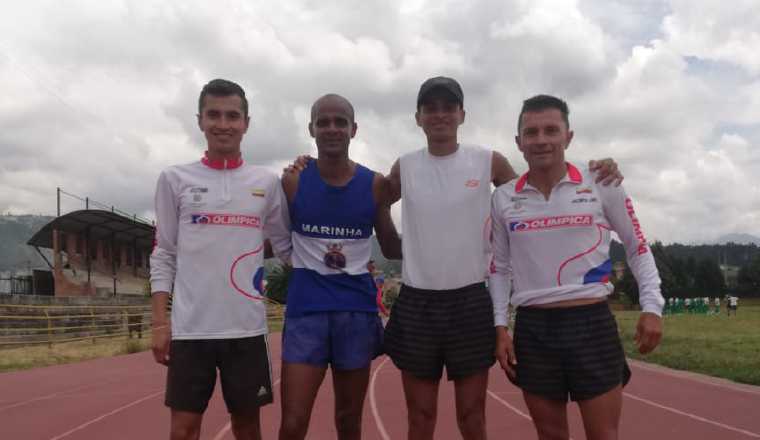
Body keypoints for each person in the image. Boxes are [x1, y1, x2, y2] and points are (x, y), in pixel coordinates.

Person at [381, 78, 624, 440]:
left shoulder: (488, 161)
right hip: (418, 302)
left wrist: (595, 170)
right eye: (430, 107)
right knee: (420, 416)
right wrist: (395, 246)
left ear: (462, 114)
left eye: (449, 106)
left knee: (472, 417)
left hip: (469, 300)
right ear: (418, 117)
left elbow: (531, 196)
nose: (440, 114)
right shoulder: (405, 166)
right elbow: (377, 200)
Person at [489, 94, 664, 440]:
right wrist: (499, 326)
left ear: (568, 136)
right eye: (532, 132)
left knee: (603, 435)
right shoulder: (504, 197)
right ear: (519, 142)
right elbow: (499, 267)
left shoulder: (601, 182)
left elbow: (636, 246)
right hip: (534, 328)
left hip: (591, 324)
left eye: (551, 130)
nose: (541, 140)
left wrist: (653, 306)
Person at [150, 79, 292, 440]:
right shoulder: (174, 179)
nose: (223, 124)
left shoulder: (267, 182)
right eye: (214, 115)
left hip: (246, 330)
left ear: (246, 122)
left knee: (248, 428)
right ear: (200, 120)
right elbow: (164, 253)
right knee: (184, 430)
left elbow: (287, 248)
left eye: (232, 115)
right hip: (191, 330)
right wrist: (159, 323)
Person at [278, 94, 401, 440]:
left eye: (340, 122)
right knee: (292, 422)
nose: (332, 129)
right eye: (324, 122)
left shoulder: (374, 184)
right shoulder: (293, 181)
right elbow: (271, 239)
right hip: (307, 313)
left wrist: (447, 242)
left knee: (349, 421)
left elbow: (390, 246)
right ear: (312, 129)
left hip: (355, 313)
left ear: (354, 129)